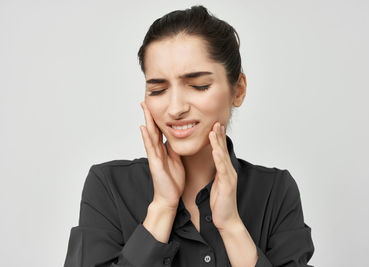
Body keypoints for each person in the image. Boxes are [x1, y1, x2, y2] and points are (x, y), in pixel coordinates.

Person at [64, 5, 314, 267]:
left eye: (199, 86)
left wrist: (231, 227)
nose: (175, 108)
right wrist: (161, 208)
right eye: (158, 90)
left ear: (238, 90)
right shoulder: (109, 186)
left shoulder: (275, 192)